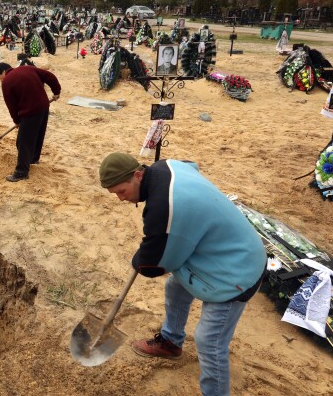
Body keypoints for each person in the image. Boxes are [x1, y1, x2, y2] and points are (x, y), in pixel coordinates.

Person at [98, 153, 266, 396]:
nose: (121, 198)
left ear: (138, 175)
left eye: (122, 191)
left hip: (239, 269)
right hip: (219, 248)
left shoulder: (164, 206)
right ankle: (171, 342)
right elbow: (191, 165)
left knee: (209, 341)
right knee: (175, 287)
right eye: (115, 194)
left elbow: (152, 266)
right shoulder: (165, 167)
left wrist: (140, 259)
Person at [0, 62, 61, 182]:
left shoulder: (6, 82)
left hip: (30, 112)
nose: (1, 81)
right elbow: (49, 76)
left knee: (23, 142)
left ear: (3, 72)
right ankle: (33, 159)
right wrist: (56, 91)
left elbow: (11, 106)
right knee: (38, 134)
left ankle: (21, 172)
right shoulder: (28, 68)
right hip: (43, 107)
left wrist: (16, 121)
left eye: (0, 78)